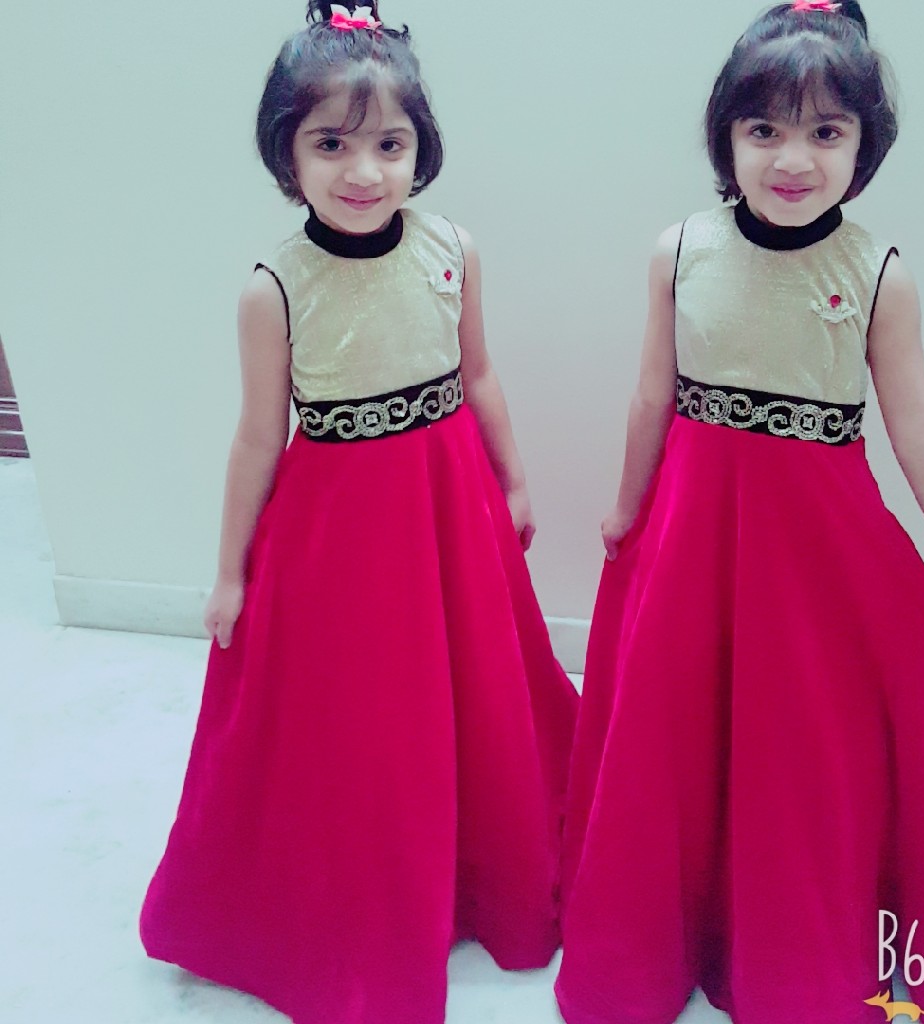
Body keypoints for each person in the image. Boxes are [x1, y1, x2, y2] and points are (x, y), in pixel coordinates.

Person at [554, 3, 924, 1022]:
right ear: (725, 136)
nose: (792, 158)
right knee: (682, 730)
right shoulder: (681, 250)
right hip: (693, 538)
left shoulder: (877, 274)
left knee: (802, 746)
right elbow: (651, 397)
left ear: (863, 144)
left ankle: (794, 923)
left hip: (819, 558)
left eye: (824, 130)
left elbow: (920, 432)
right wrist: (625, 512)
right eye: (763, 128)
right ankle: (678, 915)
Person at [139, 5, 578, 1022]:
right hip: (338, 534)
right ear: (286, 154)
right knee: (367, 716)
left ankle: (480, 863)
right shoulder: (274, 289)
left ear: (421, 149)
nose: (363, 172)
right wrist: (231, 572)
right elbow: (258, 439)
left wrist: (512, 479)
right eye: (330, 144)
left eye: (389, 144)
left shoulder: (452, 248)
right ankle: (365, 887)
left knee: (472, 687)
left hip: (449, 502)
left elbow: (477, 373)